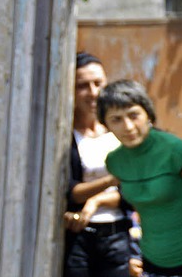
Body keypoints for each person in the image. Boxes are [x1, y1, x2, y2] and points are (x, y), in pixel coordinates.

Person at [98, 79, 182, 277]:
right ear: (106, 125)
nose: (128, 126)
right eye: (116, 119)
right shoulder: (115, 162)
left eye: (133, 115)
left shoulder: (175, 150)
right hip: (151, 266)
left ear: (148, 114)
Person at [64, 52, 143, 277]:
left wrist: (95, 201)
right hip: (78, 239)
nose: (93, 93)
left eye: (98, 83)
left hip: (117, 238)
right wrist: (113, 179)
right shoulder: (65, 135)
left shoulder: (119, 132)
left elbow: (133, 190)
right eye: (83, 85)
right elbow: (71, 193)